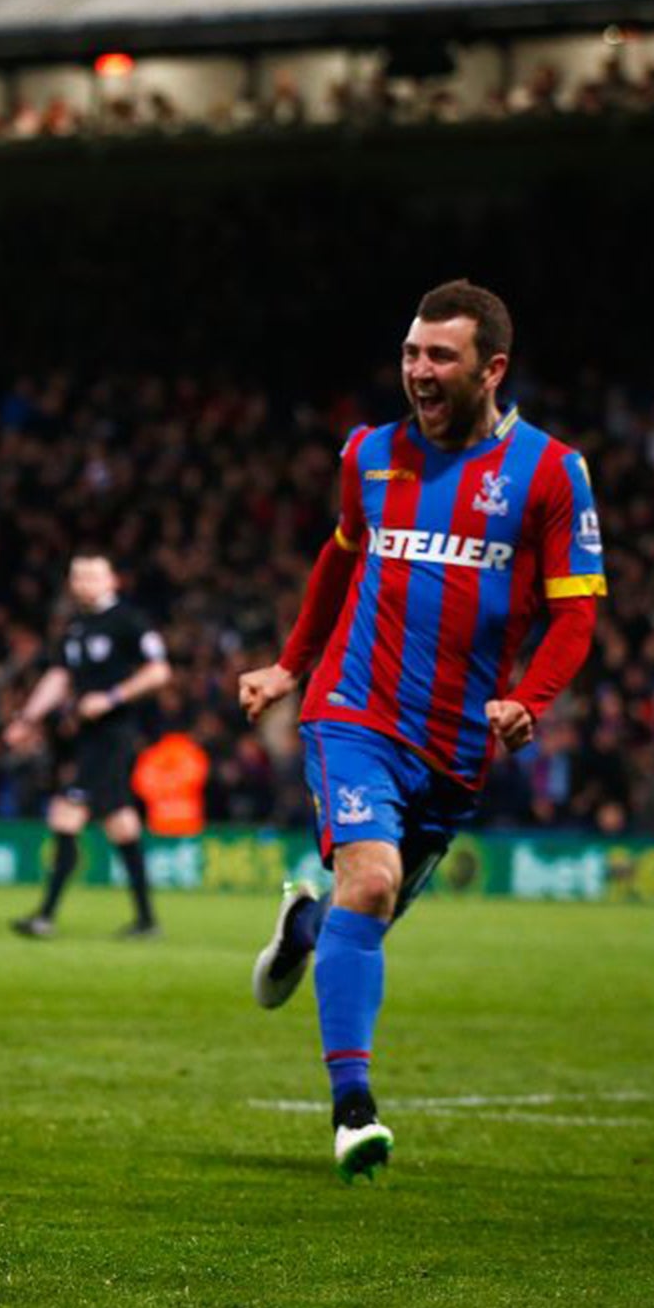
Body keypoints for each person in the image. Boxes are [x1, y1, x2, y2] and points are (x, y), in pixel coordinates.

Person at [239, 278, 604, 1182]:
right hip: (354, 710)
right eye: (411, 353)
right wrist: (291, 666)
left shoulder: (553, 473)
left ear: (493, 368)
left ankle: (305, 931)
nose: (419, 371)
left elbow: (575, 611)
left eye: (441, 356)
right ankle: (352, 1111)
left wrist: (535, 698)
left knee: (368, 910)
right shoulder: (367, 455)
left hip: (459, 745)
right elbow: (339, 561)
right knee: (373, 878)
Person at [5, 555, 173, 938]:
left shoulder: (128, 620)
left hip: (115, 736)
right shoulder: (77, 627)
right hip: (89, 739)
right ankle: (146, 921)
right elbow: (59, 677)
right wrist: (26, 719)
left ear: (112, 579)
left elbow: (160, 671)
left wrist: (111, 697)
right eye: (77, 576)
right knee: (121, 824)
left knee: (66, 813)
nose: (84, 583)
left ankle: (45, 917)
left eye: (92, 575)